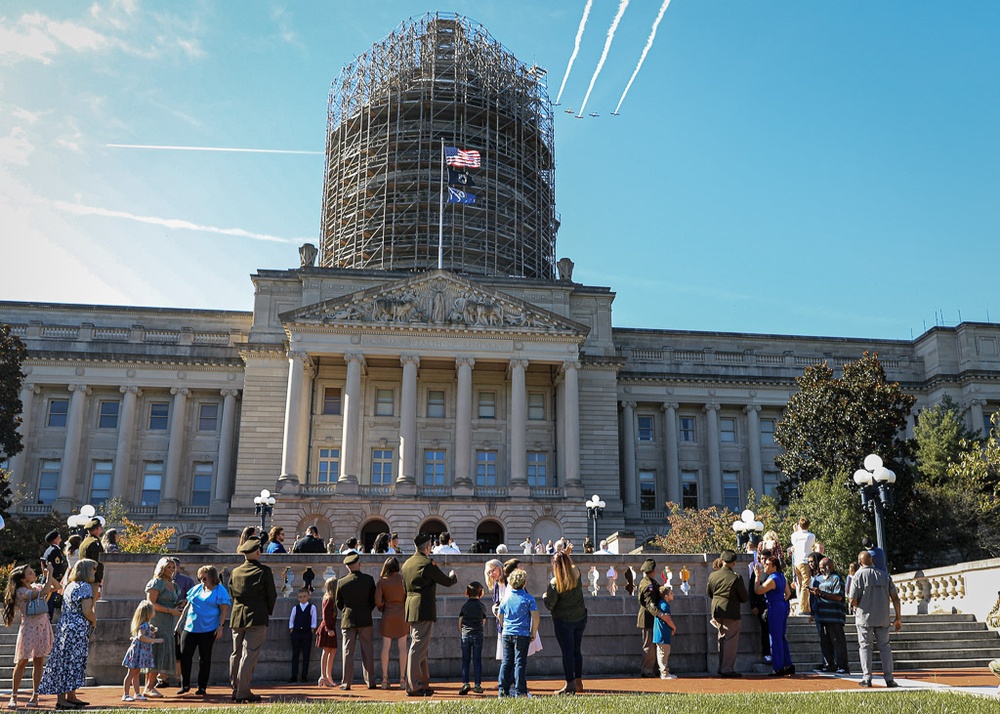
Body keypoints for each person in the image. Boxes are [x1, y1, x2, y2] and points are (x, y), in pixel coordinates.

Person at [400, 532, 457, 697]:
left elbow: (405, 588)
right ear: (427, 547)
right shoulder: (426, 563)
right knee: (418, 647)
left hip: (411, 607)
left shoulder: (407, 564)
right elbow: (445, 581)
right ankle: (413, 685)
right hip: (423, 607)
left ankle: (423, 683)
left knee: (421, 648)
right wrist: (453, 577)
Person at [38, 558, 98, 710]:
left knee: (66, 661)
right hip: (77, 629)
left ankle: (70, 696)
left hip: (65, 627)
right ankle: (63, 699)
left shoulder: (70, 585)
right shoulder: (85, 586)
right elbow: (86, 610)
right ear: (86, 571)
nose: (95, 572)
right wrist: (94, 621)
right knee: (73, 662)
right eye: (93, 569)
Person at [3, 562, 61, 708]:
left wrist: (49, 575)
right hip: (29, 629)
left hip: (42, 627)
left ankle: (35, 696)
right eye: (30, 573)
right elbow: (43, 592)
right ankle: (14, 696)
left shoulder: (35, 586)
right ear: (23, 579)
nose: (33, 574)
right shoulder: (21, 591)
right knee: (22, 662)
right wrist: (50, 575)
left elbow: (57, 587)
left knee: (39, 661)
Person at [229, 536, 277, 703]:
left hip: (237, 617)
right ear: (258, 552)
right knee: (249, 654)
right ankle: (243, 691)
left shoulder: (235, 572)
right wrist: (267, 611)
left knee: (236, 654)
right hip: (256, 616)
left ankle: (236, 688)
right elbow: (272, 595)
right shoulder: (264, 571)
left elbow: (232, 593)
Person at [849, 550, 902, 688]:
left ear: (860, 562)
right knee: (885, 647)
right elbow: (895, 598)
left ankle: (867, 678)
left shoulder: (857, 576)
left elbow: (852, 599)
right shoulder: (884, 576)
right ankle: (889, 678)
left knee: (865, 647)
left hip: (864, 617)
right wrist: (898, 617)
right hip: (882, 616)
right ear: (872, 560)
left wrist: (860, 606)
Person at [177, 565, 230, 696]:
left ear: (212, 577)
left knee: (204, 658)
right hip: (190, 627)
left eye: (204, 578)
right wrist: (179, 623)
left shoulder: (220, 590)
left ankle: (202, 686)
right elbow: (187, 607)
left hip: (208, 629)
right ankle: (185, 684)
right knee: (184, 656)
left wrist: (220, 627)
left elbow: (224, 610)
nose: (202, 580)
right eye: (200, 578)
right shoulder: (196, 589)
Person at [543, 550, 588, 695]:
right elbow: (571, 565)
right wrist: (566, 555)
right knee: (577, 651)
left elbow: (550, 604)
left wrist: (545, 596)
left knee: (567, 652)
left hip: (563, 620)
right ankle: (579, 682)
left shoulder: (555, 582)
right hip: (580, 617)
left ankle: (570, 683)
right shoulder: (576, 573)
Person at [143, 556, 183, 695]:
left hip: (169, 623)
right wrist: (169, 610)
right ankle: (149, 687)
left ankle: (149, 687)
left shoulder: (173, 584)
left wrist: (177, 606)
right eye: (168, 567)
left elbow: (170, 602)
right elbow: (151, 604)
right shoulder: (156, 583)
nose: (171, 570)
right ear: (162, 568)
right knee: (156, 653)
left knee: (161, 652)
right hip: (157, 622)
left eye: (173, 567)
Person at [706, 549, 749, 678]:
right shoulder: (736, 577)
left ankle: (722, 667)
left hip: (717, 610)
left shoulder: (713, 575)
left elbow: (709, 593)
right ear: (733, 563)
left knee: (722, 639)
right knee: (730, 640)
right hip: (731, 611)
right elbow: (744, 597)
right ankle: (727, 669)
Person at [336, 552, 376, 689]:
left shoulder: (341, 582)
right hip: (365, 617)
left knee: (347, 652)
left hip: (348, 619)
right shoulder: (369, 580)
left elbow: (339, 603)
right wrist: (367, 609)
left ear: (347, 567)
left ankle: (346, 682)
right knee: (368, 651)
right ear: (359, 564)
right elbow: (373, 601)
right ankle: (370, 681)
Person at [497, 568, 538, 698]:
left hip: (507, 633)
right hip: (522, 633)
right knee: (520, 662)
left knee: (506, 662)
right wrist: (533, 632)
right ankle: (520, 690)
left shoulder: (506, 598)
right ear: (524, 583)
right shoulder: (528, 599)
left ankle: (502, 691)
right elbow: (536, 617)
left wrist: (504, 627)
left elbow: (500, 615)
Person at [810, 557, 849, 674]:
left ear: (829, 567)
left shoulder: (836, 579)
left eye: (822, 568)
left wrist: (821, 593)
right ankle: (829, 664)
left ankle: (842, 665)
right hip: (823, 616)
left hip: (834, 617)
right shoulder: (822, 580)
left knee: (838, 641)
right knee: (825, 642)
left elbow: (838, 596)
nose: (820, 570)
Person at [755, 555, 793, 676]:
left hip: (774, 606)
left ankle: (778, 667)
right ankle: (788, 664)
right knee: (781, 637)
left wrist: (757, 576)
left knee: (775, 637)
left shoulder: (772, 579)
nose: (765, 566)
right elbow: (788, 593)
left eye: (767, 564)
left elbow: (758, 590)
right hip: (782, 605)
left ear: (774, 566)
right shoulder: (782, 577)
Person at [374, 557, 407, 690]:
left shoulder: (382, 581)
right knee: (403, 647)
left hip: (388, 613)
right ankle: (403, 679)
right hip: (402, 613)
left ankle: (385, 678)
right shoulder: (403, 579)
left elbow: (377, 601)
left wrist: (383, 607)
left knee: (386, 646)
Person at [122, 601, 163, 702]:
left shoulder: (144, 625)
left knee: (136, 674)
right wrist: (155, 640)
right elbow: (141, 637)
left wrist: (151, 635)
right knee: (131, 673)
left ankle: (137, 693)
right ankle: (126, 694)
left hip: (140, 652)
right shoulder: (144, 625)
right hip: (137, 652)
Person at [457, 581, 487, 695]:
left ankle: (465, 683)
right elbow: (483, 620)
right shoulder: (481, 606)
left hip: (466, 635)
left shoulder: (465, 606)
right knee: (477, 660)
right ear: (480, 593)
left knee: (465, 660)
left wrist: (463, 631)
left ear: (467, 593)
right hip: (478, 634)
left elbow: (460, 620)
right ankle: (478, 684)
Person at [636, 558, 662, 677]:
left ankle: (651, 668)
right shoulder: (648, 585)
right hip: (648, 617)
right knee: (649, 645)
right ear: (652, 570)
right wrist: (660, 614)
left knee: (651, 644)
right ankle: (647, 670)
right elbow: (650, 603)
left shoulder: (647, 581)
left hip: (649, 616)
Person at [288, 587, 318, 683]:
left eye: (304, 596)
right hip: (296, 633)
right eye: (300, 597)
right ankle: (294, 675)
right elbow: (292, 619)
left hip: (306, 632)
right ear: (298, 598)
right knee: (295, 654)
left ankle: (304, 675)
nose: (303, 598)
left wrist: (313, 628)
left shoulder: (312, 607)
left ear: (308, 596)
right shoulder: (295, 608)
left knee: (306, 654)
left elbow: (314, 619)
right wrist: (291, 628)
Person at [315, 577, 339, 687]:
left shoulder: (330, 598)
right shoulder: (329, 599)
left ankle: (328, 676)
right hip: (327, 628)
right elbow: (325, 616)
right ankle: (323, 676)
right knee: (326, 652)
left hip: (331, 627)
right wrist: (329, 629)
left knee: (332, 651)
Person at [789, 518, 815, 615]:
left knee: (800, 585)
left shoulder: (794, 535)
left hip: (796, 563)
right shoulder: (811, 536)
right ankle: (803, 608)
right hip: (805, 562)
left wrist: (797, 531)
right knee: (806, 584)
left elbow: (794, 543)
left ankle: (805, 606)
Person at [43, 530, 67, 621]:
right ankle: (47, 620)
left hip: (49, 579)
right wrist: (58, 580)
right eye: (58, 536)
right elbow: (56, 568)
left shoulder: (49, 549)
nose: (60, 537)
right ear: (55, 539)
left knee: (48, 601)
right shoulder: (55, 551)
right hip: (53, 580)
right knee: (49, 603)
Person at [653, 587, 677, 680]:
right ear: (666, 596)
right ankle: (664, 673)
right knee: (663, 653)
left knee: (663, 653)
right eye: (671, 593)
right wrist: (674, 627)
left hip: (661, 632)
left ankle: (665, 672)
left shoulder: (662, 604)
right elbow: (667, 619)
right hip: (662, 632)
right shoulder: (664, 605)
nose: (673, 594)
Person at [79, 518, 105, 595]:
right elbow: (97, 562)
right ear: (97, 529)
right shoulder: (94, 543)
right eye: (100, 527)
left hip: (83, 576)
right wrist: (100, 577)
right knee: (91, 602)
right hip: (92, 578)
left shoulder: (85, 542)